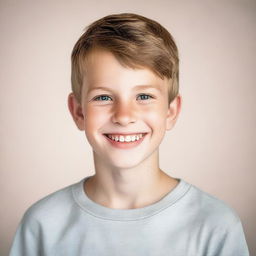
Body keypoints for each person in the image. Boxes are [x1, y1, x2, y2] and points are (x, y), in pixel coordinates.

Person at [9, 13, 249, 256]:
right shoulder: (43, 225)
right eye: (103, 97)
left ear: (171, 112)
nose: (124, 116)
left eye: (144, 96)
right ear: (78, 112)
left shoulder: (216, 226)